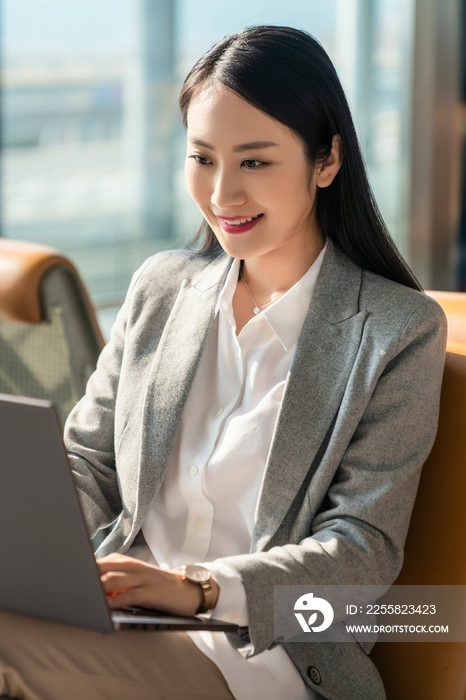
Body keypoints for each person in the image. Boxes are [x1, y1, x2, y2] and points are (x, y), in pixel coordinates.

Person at [0, 25, 446, 700]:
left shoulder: (395, 332)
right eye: (203, 158)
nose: (222, 195)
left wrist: (198, 590)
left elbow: (362, 554)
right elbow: (90, 462)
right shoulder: (161, 288)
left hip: (259, 657)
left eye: (255, 162)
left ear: (327, 161)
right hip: (121, 622)